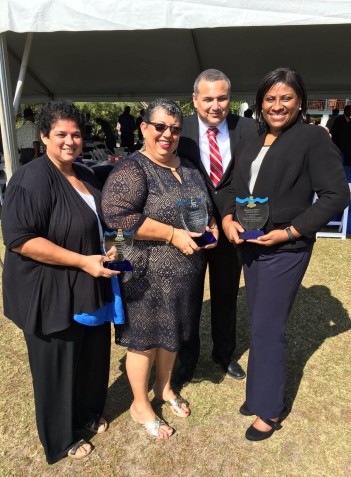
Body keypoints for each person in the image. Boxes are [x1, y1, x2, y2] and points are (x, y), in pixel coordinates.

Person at [222, 67, 350, 442]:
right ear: (260, 102)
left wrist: (291, 231)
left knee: (267, 327)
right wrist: (228, 217)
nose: (277, 106)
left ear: (300, 101)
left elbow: (336, 195)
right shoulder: (251, 137)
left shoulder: (312, 138)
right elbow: (230, 184)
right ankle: (258, 394)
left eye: (286, 98)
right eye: (270, 98)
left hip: (286, 248)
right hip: (249, 243)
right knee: (259, 320)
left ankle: (268, 409)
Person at [1, 101, 123, 463]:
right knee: (57, 364)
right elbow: (21, 238)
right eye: (61, 135)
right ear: (43, 136)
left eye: (75, 134)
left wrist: (108, 246)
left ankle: (86, 412)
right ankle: (60, 437)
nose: (70, 141)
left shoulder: (85, 173)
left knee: (90, 354)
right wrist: (81, 261)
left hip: (89, 284)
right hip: (49, 289)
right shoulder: (32, 177)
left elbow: (97, 223)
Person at [102, 98, 218, 439]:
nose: (167, 134)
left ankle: (165, 389)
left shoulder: (189, 167)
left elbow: (203, 206)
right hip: (146, 274)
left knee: (172, 335)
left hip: (186, 274)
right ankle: (140, 404)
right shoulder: (132, 169)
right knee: (145, 341)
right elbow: (117, 216)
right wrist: (170, 234)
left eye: (175, 129)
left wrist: (209, 225)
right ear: (144, 128)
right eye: (160, 127)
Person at [176, 69, 256, 385]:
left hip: (231, 227)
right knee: (189, 298)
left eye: (222, 98)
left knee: (226, 296)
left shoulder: (249, 128)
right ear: (195, 100)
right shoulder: (178, 130)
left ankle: (224, 355)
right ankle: (187, 360)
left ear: (229, 99)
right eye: (208, 98)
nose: (215, 105)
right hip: (191, 228)